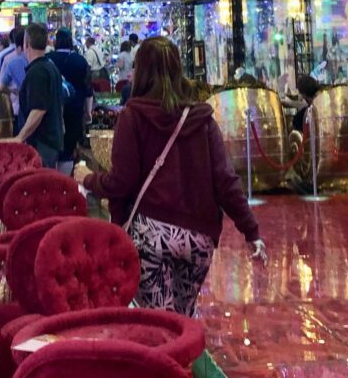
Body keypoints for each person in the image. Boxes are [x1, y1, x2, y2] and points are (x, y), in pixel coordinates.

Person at [76, 38, 265, 316]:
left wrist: (88, 178)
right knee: (182, 318)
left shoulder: (133, 116)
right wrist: (251, 231)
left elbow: (121, 182)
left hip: (152, 236)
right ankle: (182, 358)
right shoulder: (201, 119)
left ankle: (169, 357)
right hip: (199, 238)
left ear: (140, 71)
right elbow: (225, 181)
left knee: (160, 324)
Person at [13, 23, 63, 168]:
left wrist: (20, 137)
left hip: (42, 142)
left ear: (26, 44)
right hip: (51, 139)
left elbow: (38, 110)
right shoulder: (50, 66)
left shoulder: (37, 72)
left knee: (40, 186)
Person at [49, 28, 91, 175]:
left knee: (53, 146)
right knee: (69, 145)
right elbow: (88, 89)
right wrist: (89, 112)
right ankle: (65, 181)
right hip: (75, 107)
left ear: (56, 41)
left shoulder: (48, 59)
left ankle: (52, 179)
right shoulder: (80, 60)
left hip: (52, 109)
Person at [0, 26, 28, 118]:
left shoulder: (7, 57)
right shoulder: (44, 60)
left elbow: (0, 85)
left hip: (15, 106)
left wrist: (12, 91)